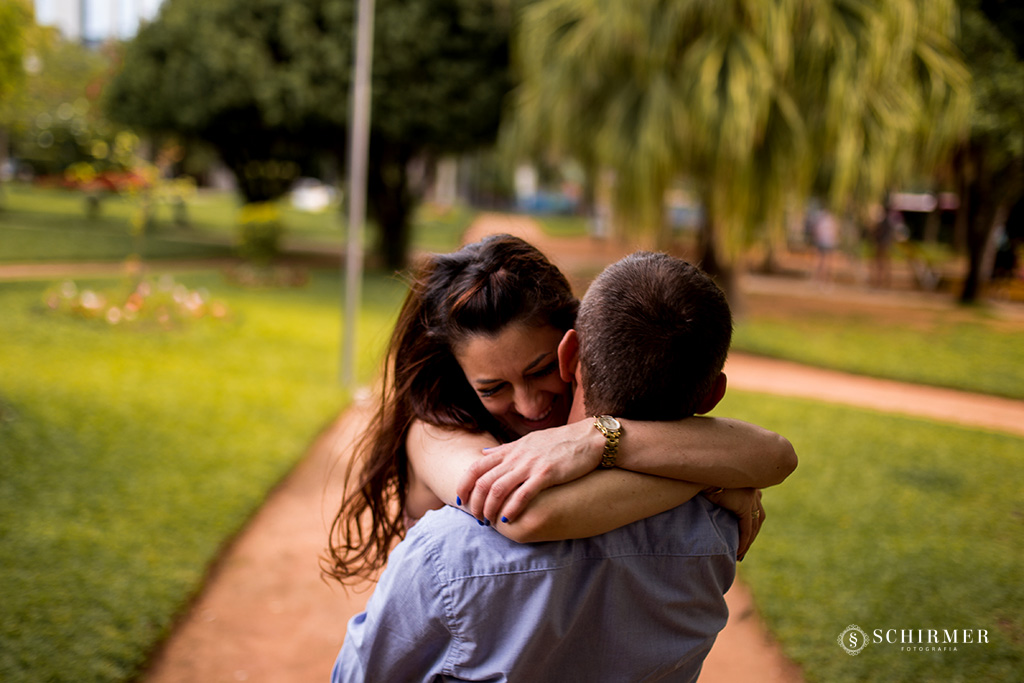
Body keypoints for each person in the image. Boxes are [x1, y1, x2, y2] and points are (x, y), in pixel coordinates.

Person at [333, 252, 776, 681]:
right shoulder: (436, 433)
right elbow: (524, 512)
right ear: (460, 379)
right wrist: (701, 479)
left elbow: (776, 454)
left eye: (540, 369)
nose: (529, 405)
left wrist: (597, 436)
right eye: (492, 388)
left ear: (571, 350)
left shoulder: (592, 422)